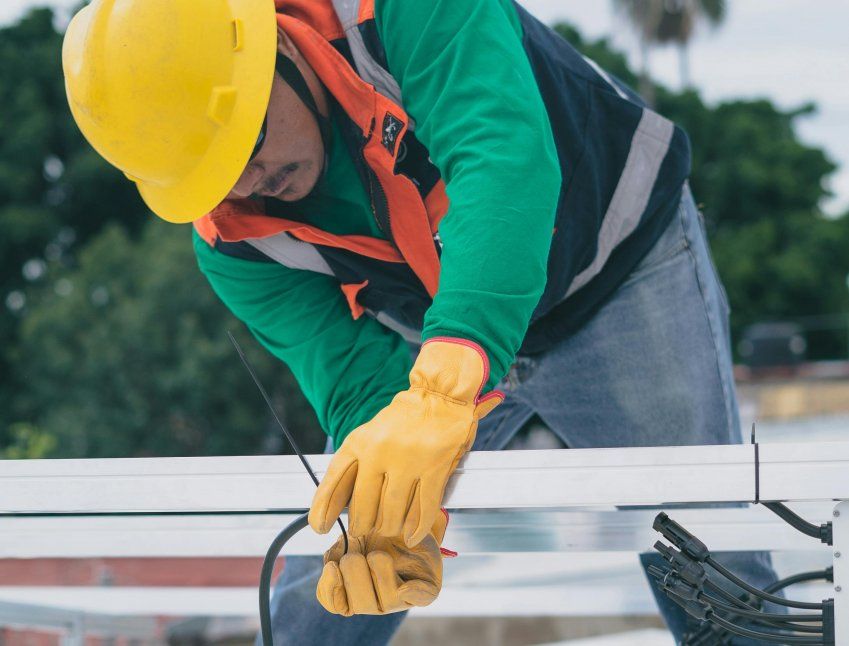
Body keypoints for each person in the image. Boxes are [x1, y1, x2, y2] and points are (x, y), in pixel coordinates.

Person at [62, 0, 782, 642]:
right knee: (340, 565)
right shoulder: (233, 243)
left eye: (246, 147)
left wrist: (445, 388)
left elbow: (501, 161)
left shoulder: (404, 7)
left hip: (613, 271)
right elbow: (354, 382)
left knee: (707, 553)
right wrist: (396, 517)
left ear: (274, 50)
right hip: (435, 336)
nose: (250, 184)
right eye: (216, 172)